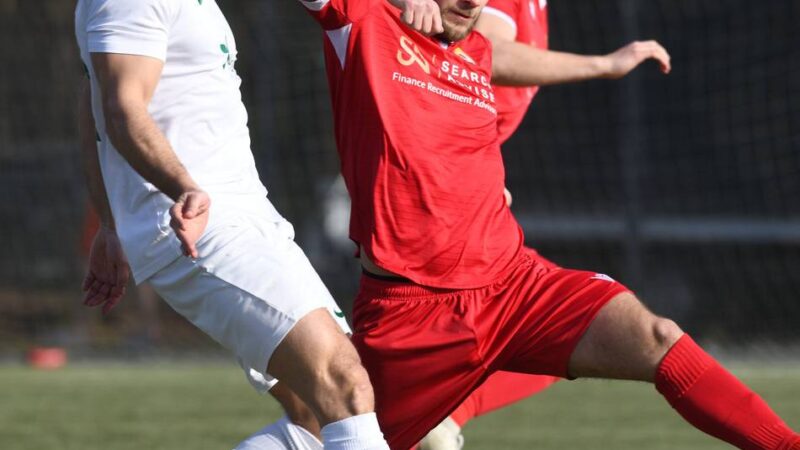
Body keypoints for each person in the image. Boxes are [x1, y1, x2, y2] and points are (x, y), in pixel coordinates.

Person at [277, 0, 799, 449]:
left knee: (657, 336)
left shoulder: (476, 53)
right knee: (318, 432)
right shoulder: (364, 20)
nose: (474, 4)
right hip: (412, 316)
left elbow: (478, 96)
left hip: (516, 286)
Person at [74, 0, 402, 448]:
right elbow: (120, 110)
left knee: (314, 416)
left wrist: (111, 226)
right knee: (345, 386)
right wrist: (182, 187)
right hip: (196, 224)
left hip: (238, 212)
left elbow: (89, 102)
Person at [421, 1, 672, 447]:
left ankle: (438, 416)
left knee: (560, 325)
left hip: (454, 182)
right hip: (433, 182)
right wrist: (605, 64)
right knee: (571, 322)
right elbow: (489, 53)